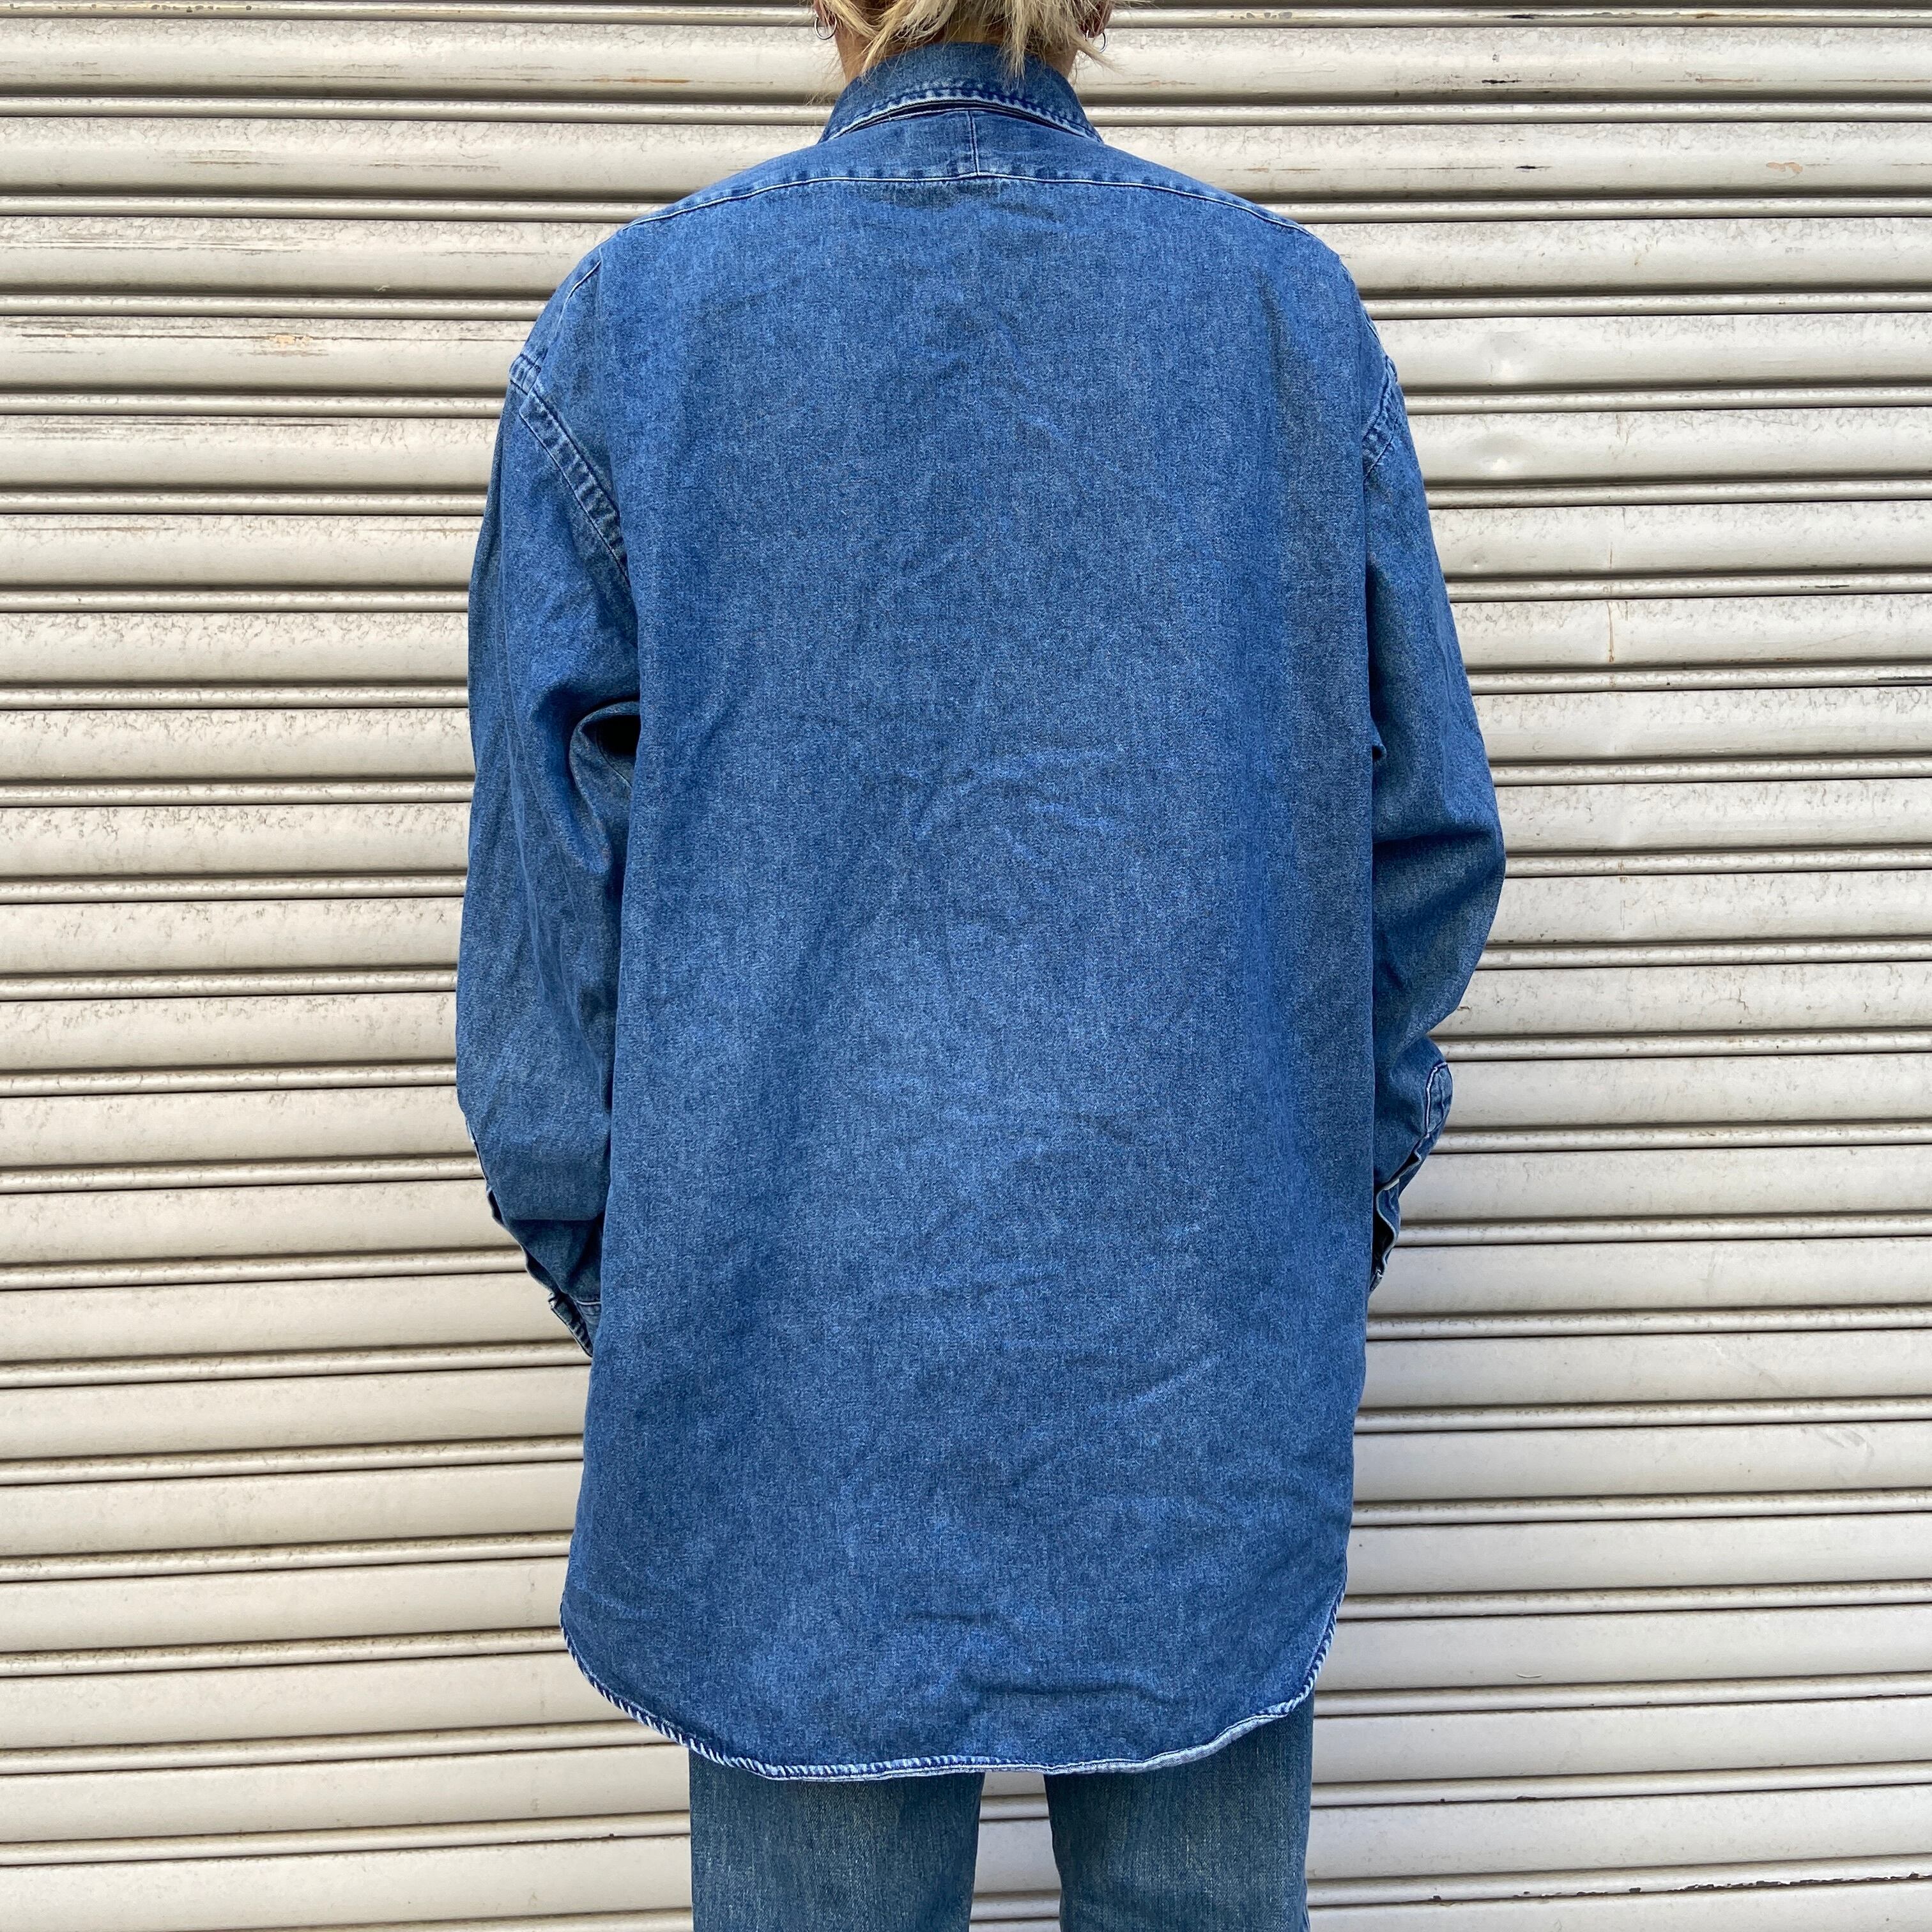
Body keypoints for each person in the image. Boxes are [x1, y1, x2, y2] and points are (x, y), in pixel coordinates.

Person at [454, 0, 1506, 1920]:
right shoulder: (1282, 324)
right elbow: (1424, 841)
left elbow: (547, 911)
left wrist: (643, 1271)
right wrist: (1313, 1210)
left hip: (784, 1344)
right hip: (1193, 1340)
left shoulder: (635, 331)